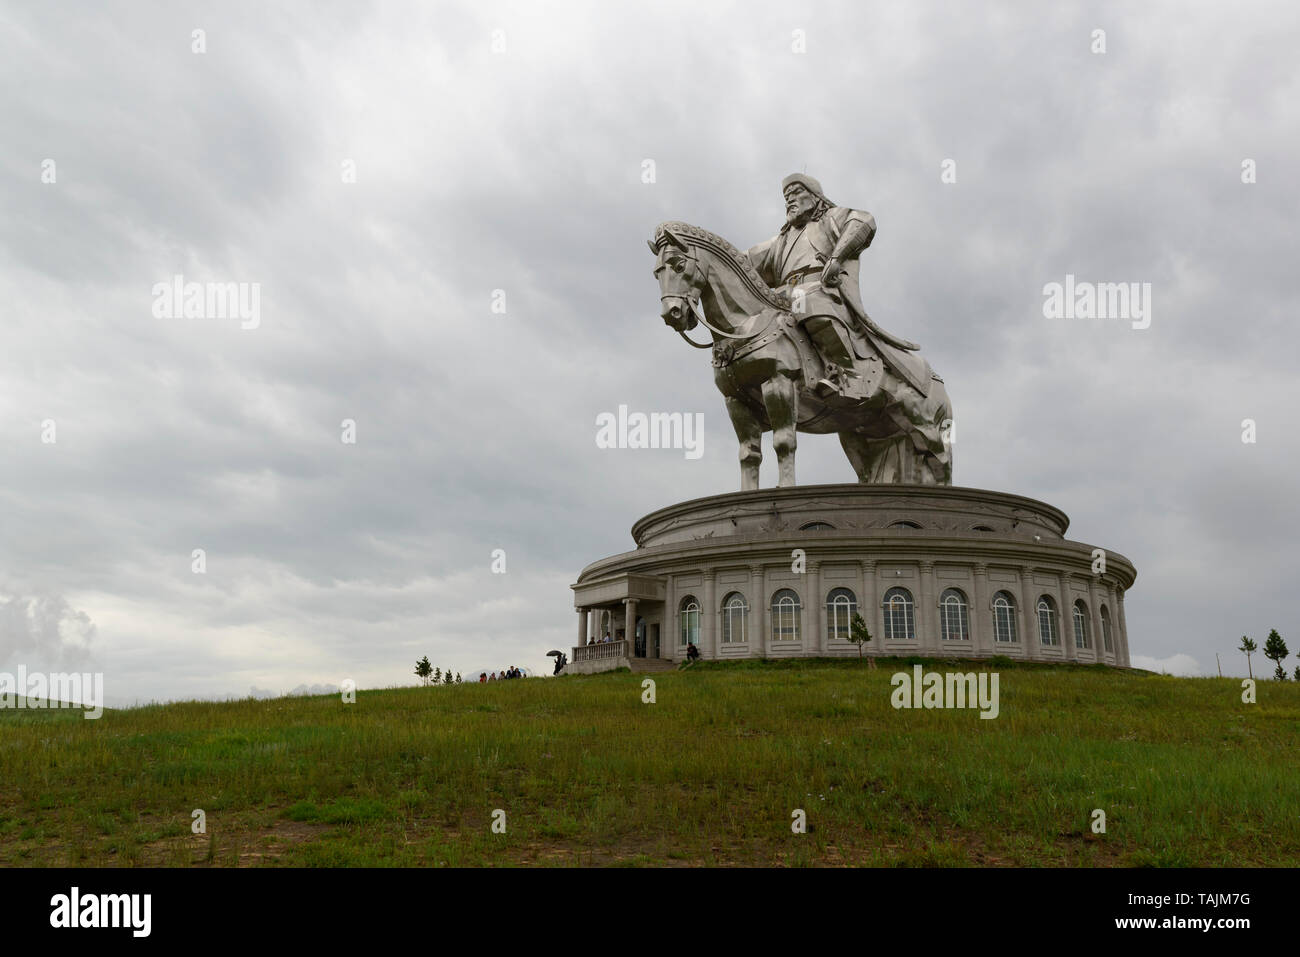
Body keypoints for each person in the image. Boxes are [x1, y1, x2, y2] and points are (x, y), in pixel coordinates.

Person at [744, 174, 929, 401]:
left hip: (824, 294)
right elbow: (740, 262)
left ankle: (849, 373)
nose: (789, 200)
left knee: (805, 298)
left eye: (796, 193)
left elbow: (864, 221)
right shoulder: (780, 241)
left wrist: (837, 258)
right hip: (783, 299)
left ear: (815, 197)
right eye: (786, 197)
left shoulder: (831, 218)